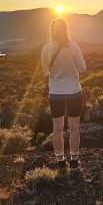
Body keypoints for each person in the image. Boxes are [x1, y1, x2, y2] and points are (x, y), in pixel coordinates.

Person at [41, 19, 86, 172]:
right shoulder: (74, 48)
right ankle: (74, 161)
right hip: (74, 92)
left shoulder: (46, 49)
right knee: (74, 128)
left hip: (56, 93)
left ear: (52, 30)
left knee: (57, 129)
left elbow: (45, 70)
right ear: (66, 30)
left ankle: (60, 162)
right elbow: (83, 68)